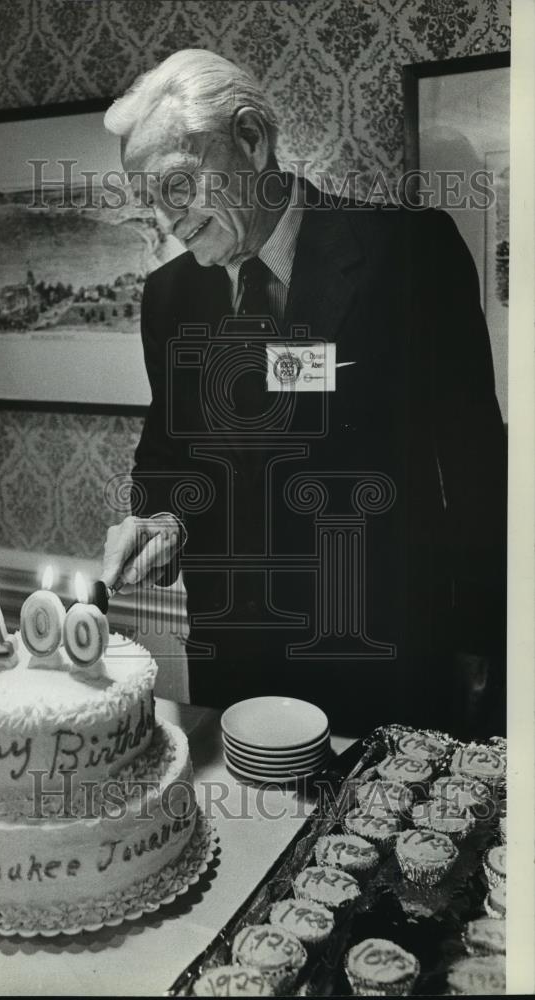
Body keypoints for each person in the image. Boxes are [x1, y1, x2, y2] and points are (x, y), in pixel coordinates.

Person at [100, 49, 506, 735]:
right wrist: (162, 518)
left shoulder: (408, 254)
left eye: (177, 186)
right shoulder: (168, 296)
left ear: (252, 140)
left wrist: (485, 641)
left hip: (386, 651)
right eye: (151, 201)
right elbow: (169, 448)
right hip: (236, 649)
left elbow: (475, 467)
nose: (168, 220)